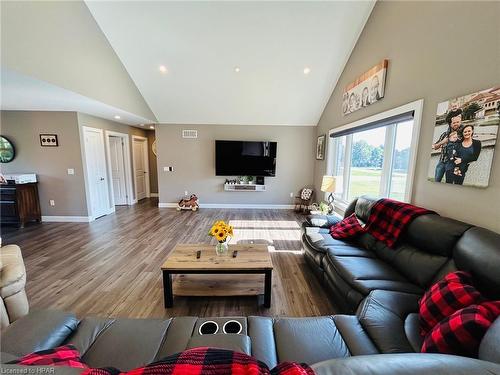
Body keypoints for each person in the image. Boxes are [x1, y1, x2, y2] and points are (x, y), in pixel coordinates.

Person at [432, 113, 463, 182]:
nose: (455, 124)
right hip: (442, 162)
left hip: (453, 164)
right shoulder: (444, 134)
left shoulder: (462, 135)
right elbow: (435, 147)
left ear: (460, 123)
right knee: (436, 180)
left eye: (457, 122)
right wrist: (442, 142)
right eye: (454, 122)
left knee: (449, 182)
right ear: (450, 124)